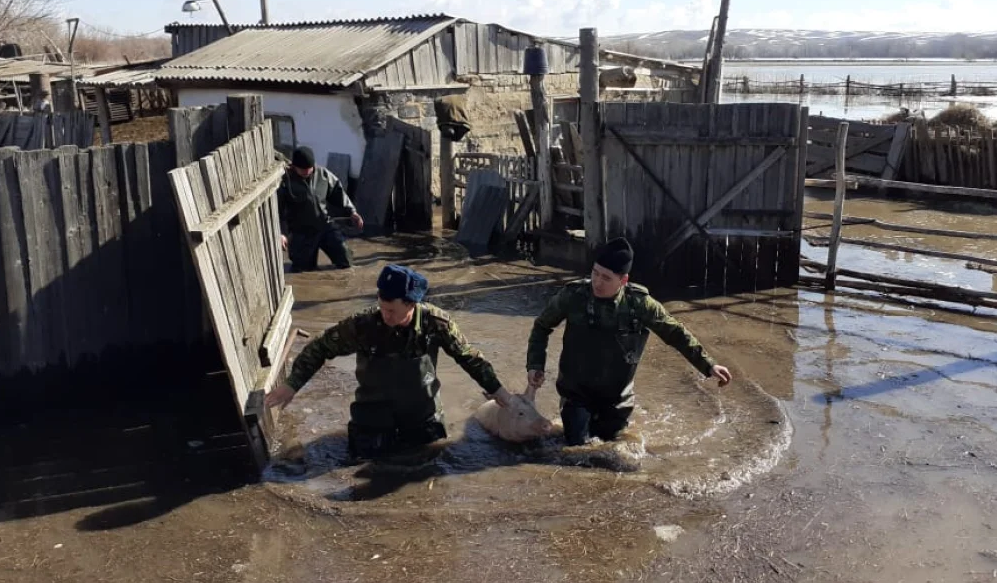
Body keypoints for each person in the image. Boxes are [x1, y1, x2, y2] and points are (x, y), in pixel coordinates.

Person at [265, 264, 518, 460]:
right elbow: (319, 348)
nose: (385, 315)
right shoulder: (363, 326)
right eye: (381, 307)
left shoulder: (436, 323)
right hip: (372, 417)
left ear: (411, 304)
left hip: (422, 418)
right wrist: (292, 384)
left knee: (426, 469)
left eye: (392, 311)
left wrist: (499, 392)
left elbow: (469, 357)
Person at [525, 237, 732, 446]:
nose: (597, 282)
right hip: (576, 393)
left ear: (623, 281)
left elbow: (676, 334)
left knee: (614, 447)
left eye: (606, 278)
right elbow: (542, 326)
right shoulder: (573, 296)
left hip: (617, 398)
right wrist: (535, 365)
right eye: (594, 273)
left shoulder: (640, 304)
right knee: (576, 446)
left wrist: (709, 365)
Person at [277, 146, 363, 272]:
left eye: (309, 169)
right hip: (301, 233)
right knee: (303, 272)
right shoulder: (285, 182)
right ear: (294, 167)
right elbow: (278, 211)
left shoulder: (323, 175)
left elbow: (338, 192)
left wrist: (352, 212)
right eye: (302, 169)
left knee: (345, 259)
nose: (306, 172)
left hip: (325, 226)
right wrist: (281, 233)